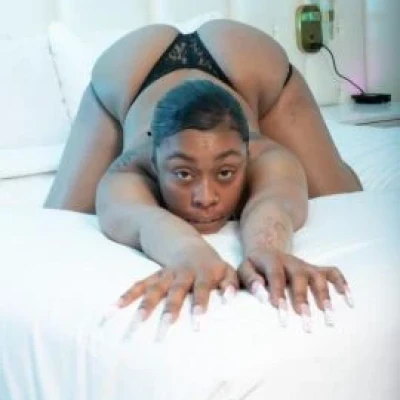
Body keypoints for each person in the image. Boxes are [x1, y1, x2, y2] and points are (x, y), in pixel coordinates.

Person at [45, 20, 357, 332]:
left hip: (245, 60)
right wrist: (190, 253)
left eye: (225, 172)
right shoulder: (128, 170)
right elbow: (143, 220)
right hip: (131, 70)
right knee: (59, 217)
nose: (205, 198)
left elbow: (276, 198)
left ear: (248, 153)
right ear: (153, 161)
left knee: (341, 194)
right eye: (183, 173)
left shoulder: (268, 155)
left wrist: (267, 250)